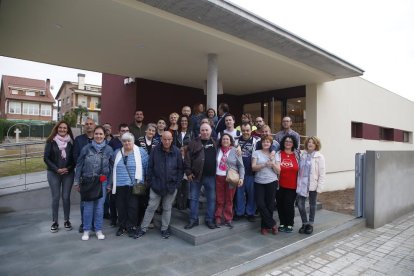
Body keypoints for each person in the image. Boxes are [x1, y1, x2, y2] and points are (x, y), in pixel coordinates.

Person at [134, 131, 183, 239]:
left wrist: (177, 183)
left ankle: (164, 228)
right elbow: (150, 167)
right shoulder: (155, 150)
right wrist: (151, 182)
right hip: (156, 185)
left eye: (169, 139)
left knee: (167, 208)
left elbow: (180, 169)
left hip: (171, 185)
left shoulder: (176, 151)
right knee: (151, 207)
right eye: (164, 139)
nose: (166, 141)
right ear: (161, 139)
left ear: (172, 140)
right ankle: (143, 228)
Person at [74, 126, 113, 241]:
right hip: (88, 181)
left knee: (99, 207)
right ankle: (86, 230)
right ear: (93, 135)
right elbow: (79, 165)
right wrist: (77, 181)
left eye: (101, 134)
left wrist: (110, 184)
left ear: (104, 135)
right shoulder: (86, 148)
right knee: (88, 206)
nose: (98, 136)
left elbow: (111, 168)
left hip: (102, 182)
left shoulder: (109, 150)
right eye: (96, 134)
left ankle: (98, 229)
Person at [110, 132, 148, 238]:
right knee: (121, 207)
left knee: (133, 207)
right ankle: (122, 226)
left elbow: (146, 167)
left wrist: (145, 180)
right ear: (122, 142)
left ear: (133, 141)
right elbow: (112, 167)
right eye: (124, 141)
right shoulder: (116, 153)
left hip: (135, 185)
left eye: (129, 141)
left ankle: (131, 227)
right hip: (120, 184)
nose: (127, 143)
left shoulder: (141, 152)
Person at [184, 123, 218, 230]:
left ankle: (209, 219)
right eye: (203, 130)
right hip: (196, 176)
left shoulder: (215, 142)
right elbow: (187, 158)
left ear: (211, 131)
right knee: (194, 198)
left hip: (211, 176)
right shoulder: (193, 143)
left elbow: (228, 146)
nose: (205, 132)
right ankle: (193, 220)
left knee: (211, 199)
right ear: (200, 131)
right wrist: (188, 172)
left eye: (207, 130)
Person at [44, 120, 75, 233]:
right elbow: (46, 158)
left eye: (65, 128)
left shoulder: (71, 143)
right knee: (56, 197)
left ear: (68, 130)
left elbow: (74, 159)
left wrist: (68, 168)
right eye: (60, 128)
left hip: (68, 173)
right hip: (53, 173)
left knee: (66, 197)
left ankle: (67, 220)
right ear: (57, 129)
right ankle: (55, 222)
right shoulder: (51, 141)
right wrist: (56, 169)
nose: (62, 129)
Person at [296, 136, 325, 235]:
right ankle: (304, 223)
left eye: (313, 142)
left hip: (313, 184)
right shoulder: (302, 154)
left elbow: (322, 173)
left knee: (312, 205)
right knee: (300, 204)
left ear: (316, 145)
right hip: (301, 184)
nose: (310, 144)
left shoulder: (319, 156)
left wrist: (319, 187)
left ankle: (310, 224)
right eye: (309, 142)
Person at [215, 133, 244, 228]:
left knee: (229, 199)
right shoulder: (217, 150)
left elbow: (241, 166)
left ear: (230, 141)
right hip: (219, 177)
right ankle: (218, 217)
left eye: (227, 139)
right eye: (223, 139)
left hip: (231, 178)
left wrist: (241, 178)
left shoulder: (235, 151)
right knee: (219, 199)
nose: (225, 141)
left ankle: (228, 218)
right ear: (221, 141)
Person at [252, 135, 279, 235]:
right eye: (264, 142)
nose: (266, 143)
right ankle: (272, 224)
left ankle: (264, 227)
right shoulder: (256, 153)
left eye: (268, 142)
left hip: (272, 181)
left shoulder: (274, 154)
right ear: (261, 143)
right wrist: (264, 165)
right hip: (259, 182)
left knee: (270, 205)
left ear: (271, 144)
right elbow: (253, 167)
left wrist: (273, 165)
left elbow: (278, 171)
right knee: (260, 203)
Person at [73, 117, 96, 233]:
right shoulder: (78, 140)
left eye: (91, 124)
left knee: (95, 201)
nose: (88, 126)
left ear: (95, 125)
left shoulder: (99, 139)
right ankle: (84, 223)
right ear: (84, 126)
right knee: (84, 201)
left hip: (97, 176)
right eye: (86, 124)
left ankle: (93, 224)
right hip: (84, 176)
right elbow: (76, 157)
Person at [234, 122, 259, 222]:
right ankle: (239, 212)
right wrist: (236, 147)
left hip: (251, 173)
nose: (245, 132)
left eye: (247, 130)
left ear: (251, 130)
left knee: (251, 194)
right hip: (239, 173)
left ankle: (250, 213)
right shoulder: (236, 141)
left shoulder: (256, 141)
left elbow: (270, 145)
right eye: (243, 130)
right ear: (241, 130)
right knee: (239, 194)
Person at [107, 123, 129, 227]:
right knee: (113, 198)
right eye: (123, 131)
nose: (125, 132)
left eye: (126, 130)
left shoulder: (130, 142)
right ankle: (113, 219)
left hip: (126, 174)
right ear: (119, 132)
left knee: (123, 200)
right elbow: (110, 158)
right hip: (114, 173)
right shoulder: (113, 142)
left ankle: (123, 218)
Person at [276, 134, 299, 233]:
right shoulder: (279, 154)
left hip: (292, 185)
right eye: (286, 141)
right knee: (280, 204)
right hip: (279, 185)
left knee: (289, 204)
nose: (288, 143)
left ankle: (289, 223)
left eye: (290, 141)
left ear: (293, 143)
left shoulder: (297, 155)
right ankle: (282, 223)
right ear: (283, 143)